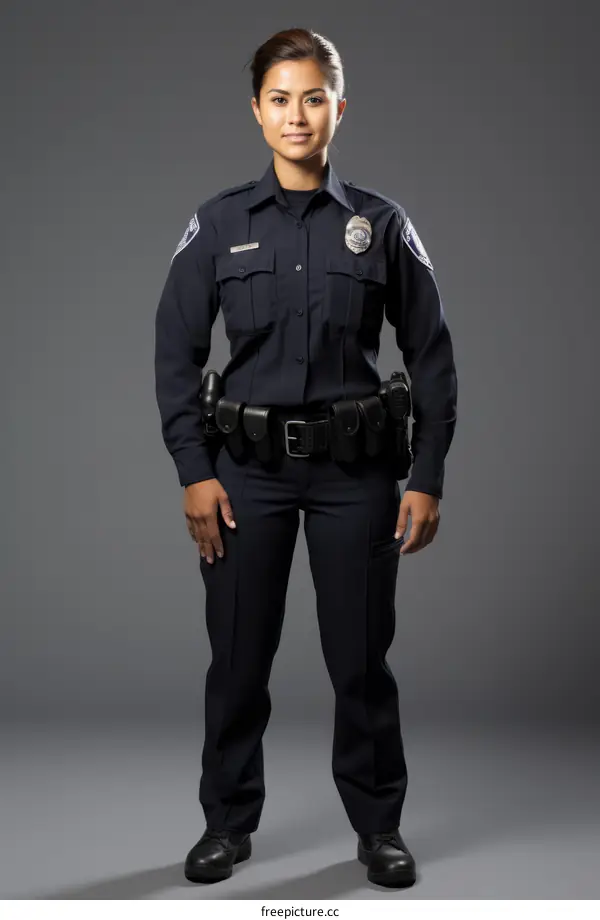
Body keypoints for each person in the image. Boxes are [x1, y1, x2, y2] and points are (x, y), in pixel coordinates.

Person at [154, 27, 457, 889]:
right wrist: (193, 470)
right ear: (257, 111)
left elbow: (432, 354)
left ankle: (378, 829)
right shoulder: (217, 225)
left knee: (361, 662)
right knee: (239, 659)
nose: (297, 115)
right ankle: (227, 824)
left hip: (355, 478)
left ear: (339, 108)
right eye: (280, 99)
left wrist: (427, 474)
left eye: (314, 97)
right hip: (243, 477)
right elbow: (174, 354)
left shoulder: (381, 225)